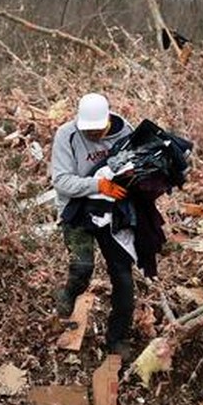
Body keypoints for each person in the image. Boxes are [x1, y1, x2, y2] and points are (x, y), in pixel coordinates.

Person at [50, 92, 136, 357]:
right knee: (82, 267)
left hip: (112, 212)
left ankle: (117, 338)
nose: (93, 136)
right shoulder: (67, 135)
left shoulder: (126, 133)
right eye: (88, 131)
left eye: (98, 131)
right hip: (76, 209)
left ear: (108, 120)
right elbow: (61, 180)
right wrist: (97, 185)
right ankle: (68, 294)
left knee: (123, 276)